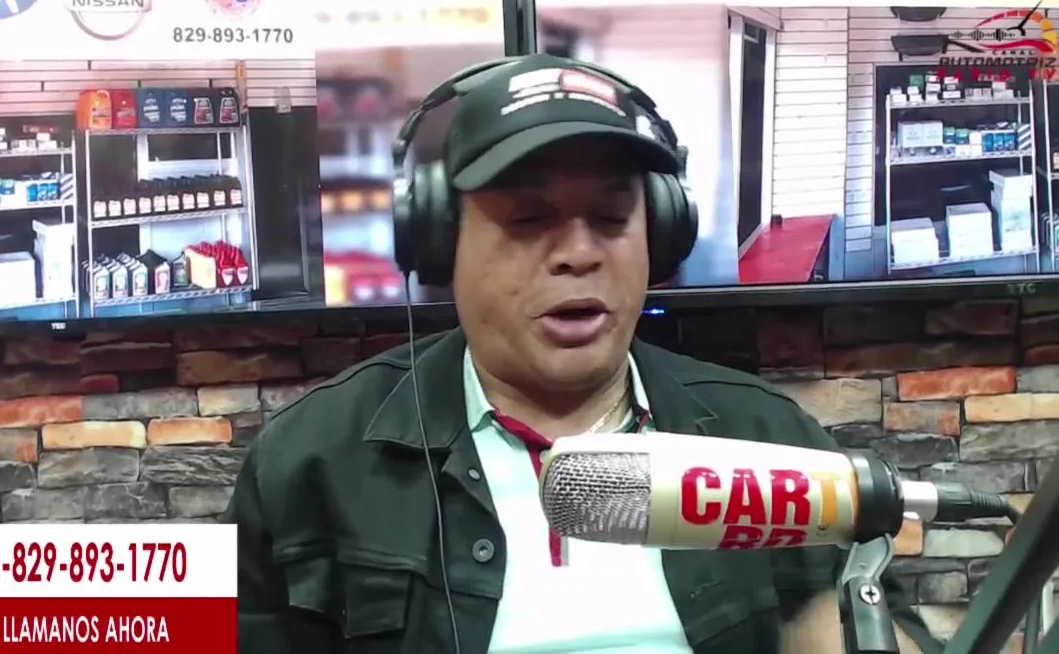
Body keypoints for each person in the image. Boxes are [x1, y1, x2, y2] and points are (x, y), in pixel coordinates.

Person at [227, 53, 935, 653]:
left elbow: (888, 626)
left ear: (659, 233)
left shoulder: (769, 439)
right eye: (529, 219)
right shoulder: (306, 461)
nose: (578, 253)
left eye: (611, 217)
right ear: (441, 244)